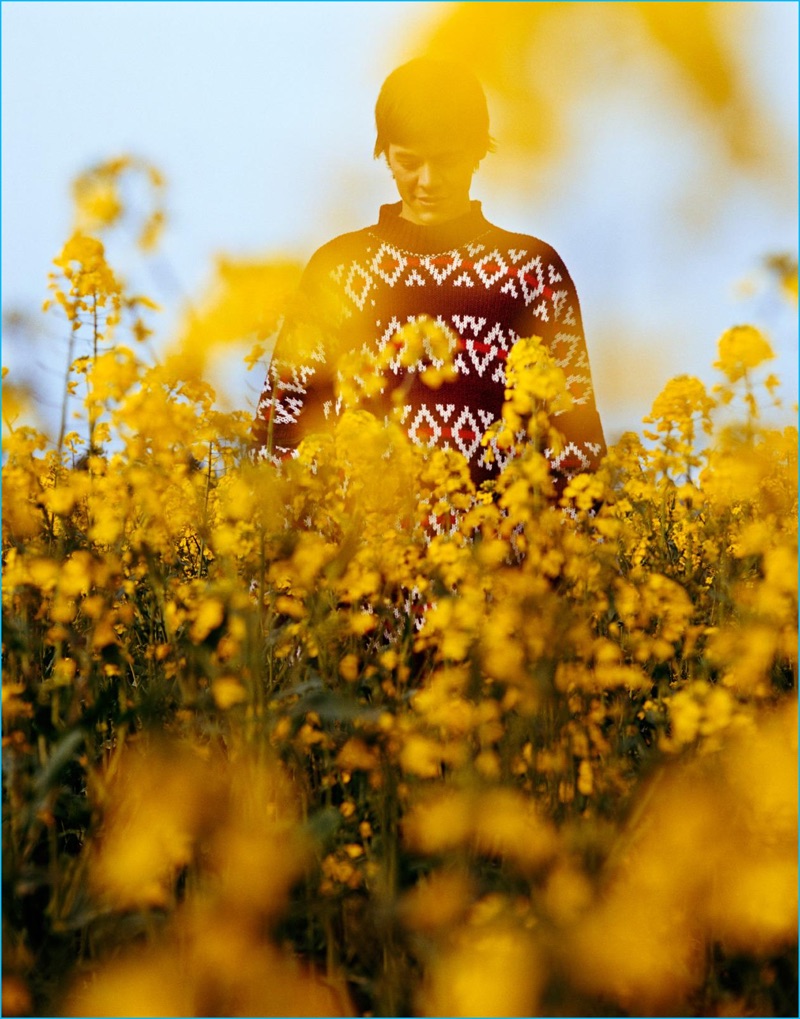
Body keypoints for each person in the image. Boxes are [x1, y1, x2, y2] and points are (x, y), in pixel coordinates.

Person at [252, 57, 606, 498]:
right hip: (357, 555)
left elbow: (577, 454)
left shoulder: (531, 272)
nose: (428, 180)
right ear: (384, 153)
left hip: (495, 561)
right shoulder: (337, 272)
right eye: (408, 161)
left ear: (479, 150)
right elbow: (279, 434)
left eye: (447, 160)